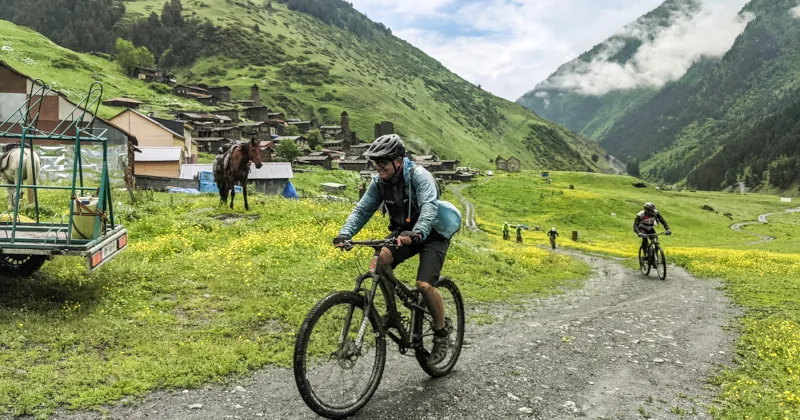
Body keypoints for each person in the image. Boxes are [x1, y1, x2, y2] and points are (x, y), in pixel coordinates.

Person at [333, 134, 463, 365]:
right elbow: (362, 210)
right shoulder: (379, 183)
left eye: (383, 160)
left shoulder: (419, 177)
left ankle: (441, 333)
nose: (378, 166)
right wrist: (346, 233)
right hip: (403, 231)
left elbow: (429, 207)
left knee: (424, 285)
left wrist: (418, 231)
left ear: (399, 160)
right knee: (380, 259)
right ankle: (393, 314)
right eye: (375, 161)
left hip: (433, 232)